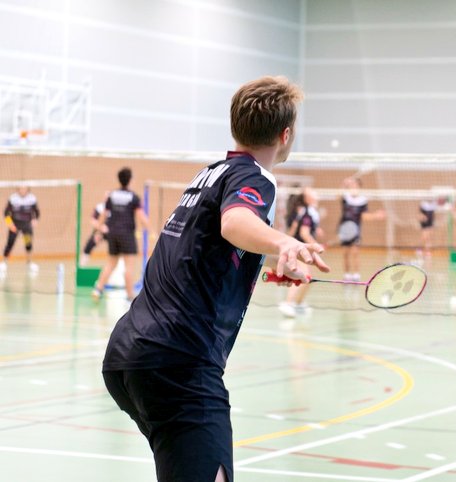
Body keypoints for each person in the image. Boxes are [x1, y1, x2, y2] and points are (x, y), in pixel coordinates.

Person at [102, 76, 328, 482]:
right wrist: (282, 242)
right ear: (285, 134)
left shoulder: (209, 174)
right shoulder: (254, 178)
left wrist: (264, 266)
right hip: (180, 362)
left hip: (129, 355)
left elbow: (201, 251)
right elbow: (235, 222)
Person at [92, 169, 150, 301]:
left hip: (112, 234)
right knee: (129, 266)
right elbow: (141, 216)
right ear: (130, 180)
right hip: (127, 234)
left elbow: (104, 215)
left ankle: (98, 289)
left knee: (111, 263)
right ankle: (130, 296)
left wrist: (98, 231)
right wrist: (151, 229)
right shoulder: (133, 197)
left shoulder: (112, 195)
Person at [279, 187, 323, 317]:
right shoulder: (307, 213)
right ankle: (288, 303)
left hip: (303, 249)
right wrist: (316, 245)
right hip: (299, 249)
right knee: (302, 275)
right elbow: (304, 233)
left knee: (308, 277)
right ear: (307, 198)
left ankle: (298, 304)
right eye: (312, 192)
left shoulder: (311, 212)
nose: (316, 193)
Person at [338, 177, 386, 281]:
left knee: (355, 252)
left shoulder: (362, 201)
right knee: (345, 253)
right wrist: (343, 184)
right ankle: (346, 274)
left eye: (355, 185)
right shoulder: (345, 198)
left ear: (359, 187)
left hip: (356, 229)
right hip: (344, 229)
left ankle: (356, 274)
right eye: (351, 185)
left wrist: (376, 216)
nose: (353, 187)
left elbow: (364, 216)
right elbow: (338, 195)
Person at [2, 185, 40, 275]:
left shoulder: (31, 198)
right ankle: (4, 263)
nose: (22, 190)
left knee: (28, 243)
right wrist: (9, 223)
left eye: (24, 189)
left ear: (27, 190)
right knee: (10, 243)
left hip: (26, 225)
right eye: (21, 189)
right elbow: (6, 213)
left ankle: (29, 263)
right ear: (18, 190)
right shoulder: (13, 198)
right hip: (15, 225)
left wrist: (35, 220)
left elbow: (37, 212)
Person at [81, 194, 110, 266]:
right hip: (99, 231)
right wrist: (101, 229)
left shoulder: (115, 208)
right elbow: (93, 220)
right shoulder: (99, 207)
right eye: (106, 197)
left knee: (118, 247)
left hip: (111, 232)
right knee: (88, 246)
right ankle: (82, 266)